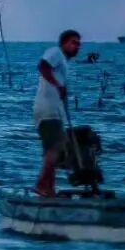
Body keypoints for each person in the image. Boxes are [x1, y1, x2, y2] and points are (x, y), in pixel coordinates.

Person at [33, 29, 81, 197]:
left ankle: (48, 189)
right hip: (47, 111)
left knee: (53, 150)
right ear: (64, 43)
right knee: (56, 148)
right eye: (74, 43)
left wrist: (62, 89)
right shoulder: (55, 52)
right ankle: (41, 184)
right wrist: (58, 85)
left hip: (55, 112)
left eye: (79, 44)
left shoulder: (63, 61)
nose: (77, 47)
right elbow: (43, 66)